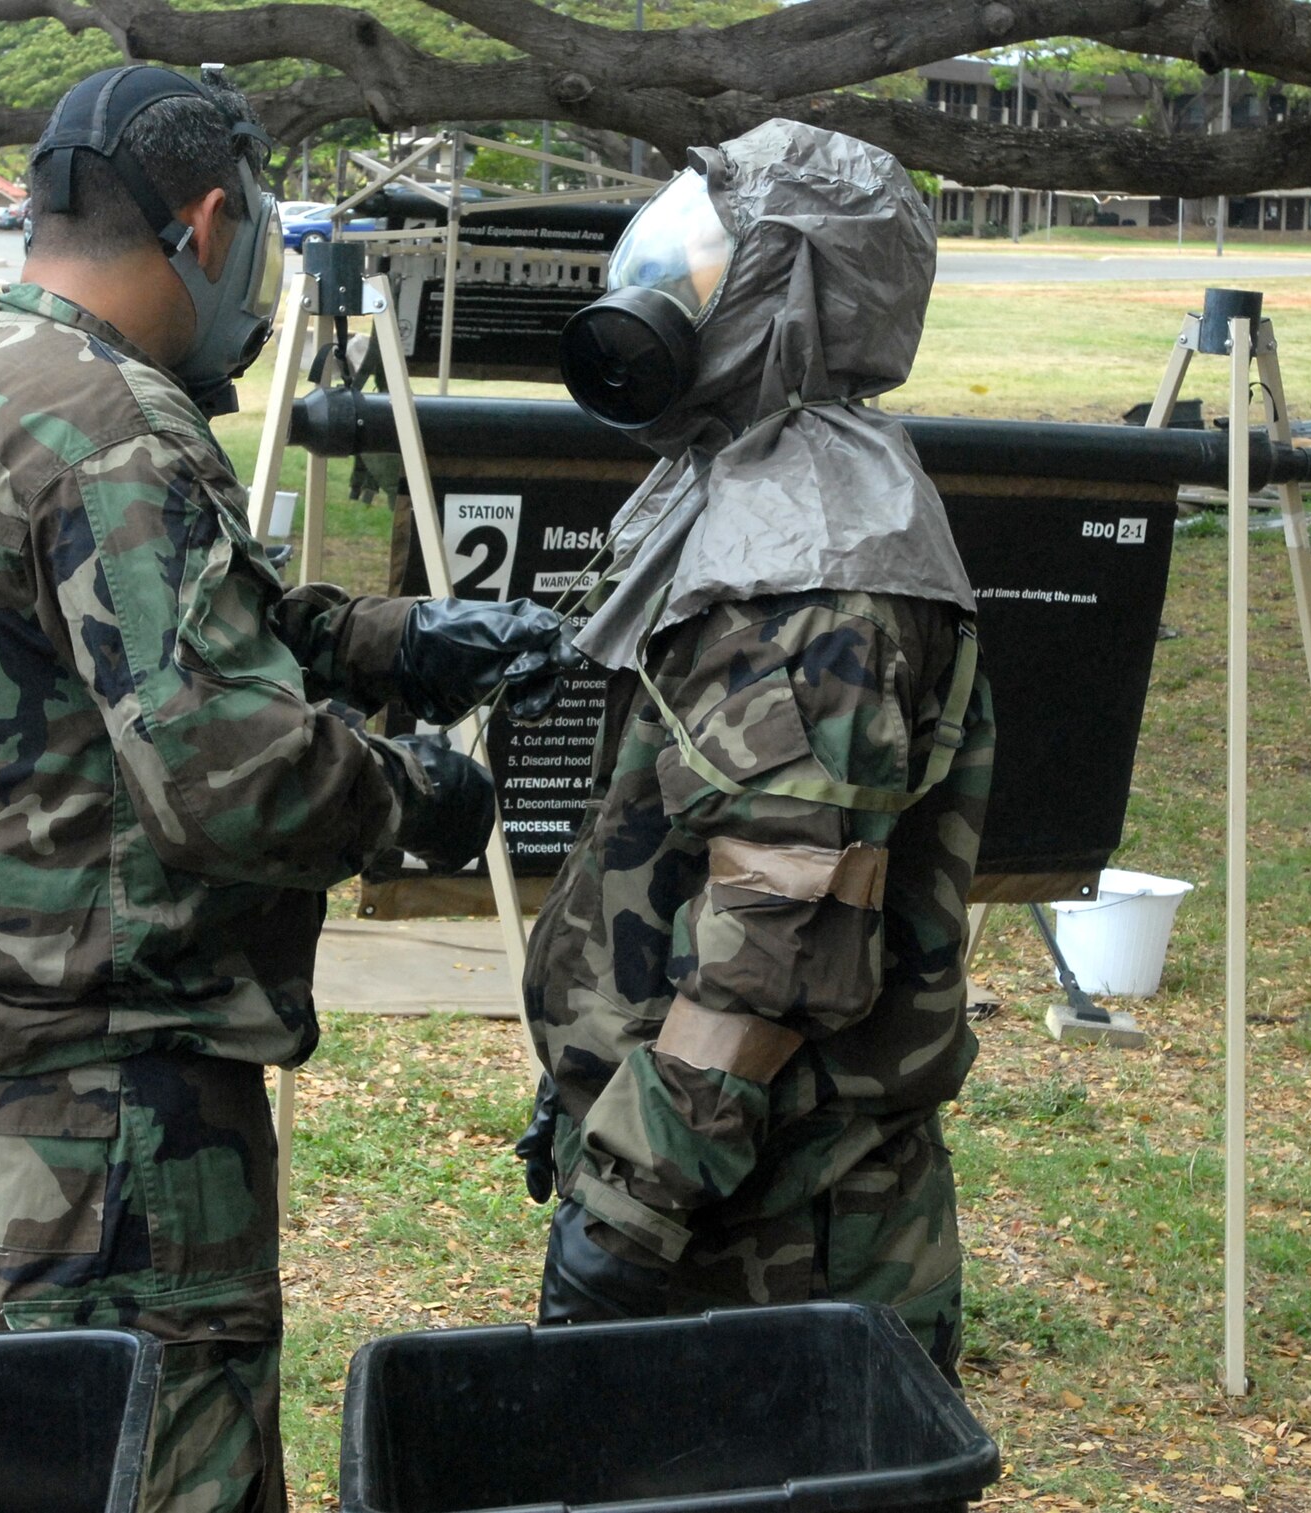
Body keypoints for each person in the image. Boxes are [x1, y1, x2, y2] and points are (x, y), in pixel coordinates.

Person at [0, 64, 575, 1513]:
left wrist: (387, 641)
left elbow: (125, 653)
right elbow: (228, 776)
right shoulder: (117, 429)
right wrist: (413, 799)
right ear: (208, 219)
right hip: (115, 1121)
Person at [515, 119, 995, 1383]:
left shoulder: (811, 569)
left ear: (793, 289)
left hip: (775, 1237)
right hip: (723, 1180)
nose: (660, 287)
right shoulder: (742, 493)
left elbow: (778, 942)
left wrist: (627, 1199)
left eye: (701, 259)